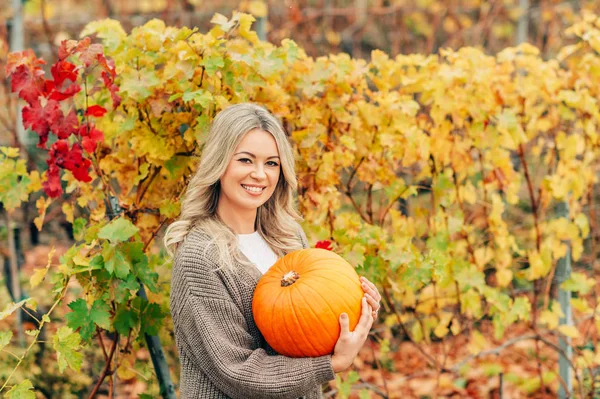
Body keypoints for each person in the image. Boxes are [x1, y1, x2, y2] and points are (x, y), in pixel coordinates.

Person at [164, 103, 382, 399]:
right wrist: (332, 364)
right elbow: (236, 371)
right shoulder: (201, 256)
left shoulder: (289, 238)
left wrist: (358, 314)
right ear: (220, 162)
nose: (259, 174)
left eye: (271, 163)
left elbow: (311, 328)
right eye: (245, 160)